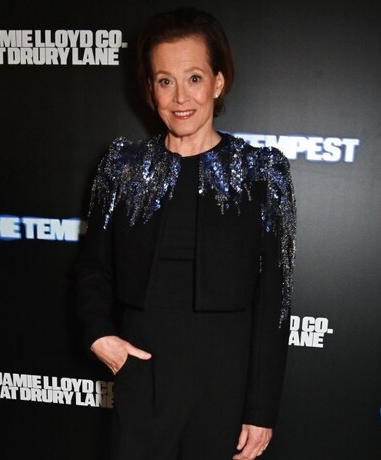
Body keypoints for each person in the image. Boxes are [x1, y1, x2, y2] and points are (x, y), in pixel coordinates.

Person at [75, 7, 296, 460]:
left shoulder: (261, 171)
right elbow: (92, 267)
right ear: (150, 88)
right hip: (143, 373)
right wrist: (100, 335)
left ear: (218, 82)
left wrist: (261, 408)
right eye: (165, 80)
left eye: (194, 78)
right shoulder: (122, 167)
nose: (180, 97)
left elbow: (274, 296)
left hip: (225, 384)